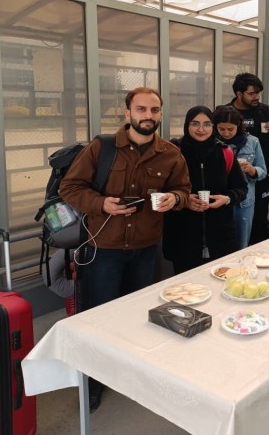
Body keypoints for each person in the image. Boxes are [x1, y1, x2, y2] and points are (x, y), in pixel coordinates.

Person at [59, 86, 191, 412]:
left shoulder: (170, 154)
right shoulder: (102, 148)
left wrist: (174, 199)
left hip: (145, 250)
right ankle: (92, 382)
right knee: (98, 319)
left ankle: (129, 374)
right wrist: (101, 203)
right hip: (103, 249)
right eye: (142, 109)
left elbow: (183, 191)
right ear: (127, 112)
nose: (148, 116)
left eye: (154, 110)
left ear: (161, 113)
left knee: (137, 317)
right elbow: (70, 187)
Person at [162, 106, 248, 274]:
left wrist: (227, 198)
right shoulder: (174, 152)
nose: (201, 129)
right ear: (187, 125)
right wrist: (183, 200)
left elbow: (241, 188)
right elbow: (162, 188)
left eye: (207, 124)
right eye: (195, 123)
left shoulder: (225, 152)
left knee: (221, 282)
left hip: (220, 235)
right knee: (187, 284)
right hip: (184, 237)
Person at [227, 73, 269, 244]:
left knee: (260, 222)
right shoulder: (226, 112)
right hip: (232, 181)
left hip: (260, 177)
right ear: (239, 94)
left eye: (258, 93)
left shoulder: (266, 112)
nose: (256, 97)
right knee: (233, 224)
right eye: (251, 93)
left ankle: (261, 255)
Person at [212, 105, 267, 250]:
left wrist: (251, 170)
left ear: (238, 125)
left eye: (231, 129)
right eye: (221, 129)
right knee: (218, 245)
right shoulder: (212, 142)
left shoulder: (252, 141)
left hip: (243, 202)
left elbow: (263, 171)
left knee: (241, 244)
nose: (226, 133)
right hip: (218, 198)